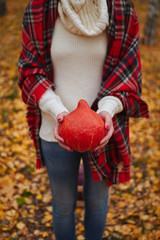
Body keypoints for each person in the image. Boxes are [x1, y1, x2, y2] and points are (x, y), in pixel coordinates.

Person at [18, 0, 149, 239]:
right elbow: (29, 70)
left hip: (104, 129)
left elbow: (130, 75)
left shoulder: (121, 10)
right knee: (64, 206)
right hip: (54, 130)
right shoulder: (39, 8)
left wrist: (107, 109)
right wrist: (57, 111)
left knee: (97, 203)